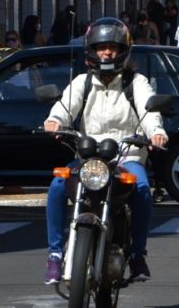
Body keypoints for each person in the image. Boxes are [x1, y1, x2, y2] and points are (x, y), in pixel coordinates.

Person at [43, 17, 168, 284]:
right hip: (89, 159)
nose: (107, 52)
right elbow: (66, 106)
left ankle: (137, 255)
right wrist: (55, 121)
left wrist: (156, 132)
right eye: (101, 47)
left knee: (143, 190)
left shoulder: (137, 82)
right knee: (56, 186)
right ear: (91, 50)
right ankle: (54, 255)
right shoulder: (82, 83)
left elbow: (150, 111)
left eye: (112, 46)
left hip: (127, 157)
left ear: (123, 49)